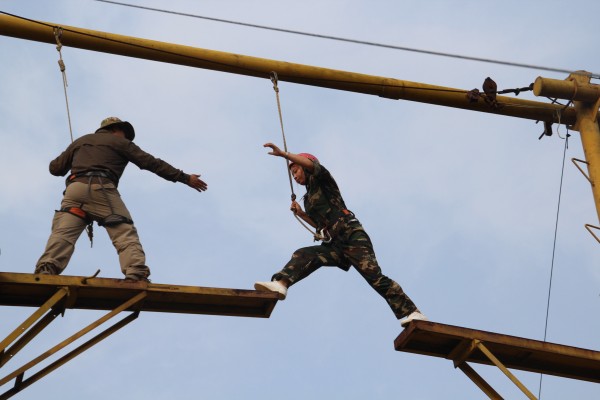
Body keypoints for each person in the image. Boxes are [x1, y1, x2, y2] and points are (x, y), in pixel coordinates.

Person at [254, 143, 427, 327]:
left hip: (351, 235)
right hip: (334, 243)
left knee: (375, 278)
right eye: (292, 174)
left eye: (296, 171)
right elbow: (320, 226)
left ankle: (412, 312)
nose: (295, 176)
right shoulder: (309, 198)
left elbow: (312, 165)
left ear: (306, 165)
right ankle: (281, 284)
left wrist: (285, 155)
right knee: (304, 254)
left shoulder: (322, 179)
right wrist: (302, 214)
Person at [34, 117, 208, 282]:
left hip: (74, 191)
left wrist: (77, 152)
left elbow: (55, 168)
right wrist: (185, 178)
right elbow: (152, 163)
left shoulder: (81, 141)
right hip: (101, 189)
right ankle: (136, 273)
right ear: (116, 129)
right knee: (124, 231)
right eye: (125, 134)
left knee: (63, 234)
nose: (127, 138)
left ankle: (45, 270)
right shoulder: (120, 142)